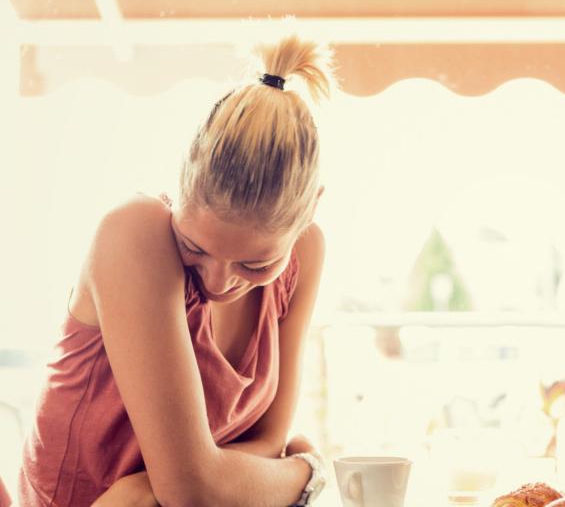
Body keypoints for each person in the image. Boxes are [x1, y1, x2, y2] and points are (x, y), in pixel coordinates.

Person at [19, 35, 331, 506]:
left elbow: (268, 440)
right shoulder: (135, 232)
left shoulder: (307, 253)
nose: (217, 281)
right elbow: (196, 489)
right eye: (194, 247)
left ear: (309, 213)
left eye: (255, 263)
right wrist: (308, 472)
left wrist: (155, 484)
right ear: (180, 188)